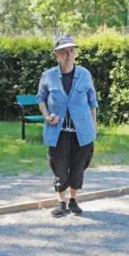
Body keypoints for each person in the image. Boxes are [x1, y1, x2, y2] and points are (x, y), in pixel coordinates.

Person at [37, 34, 98, 218]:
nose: (69, 54)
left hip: (82, 132)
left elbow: (92, 102)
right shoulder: (48, 76)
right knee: (60, 168)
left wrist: (93, 127)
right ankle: (60, 202)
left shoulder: (85, 74)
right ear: (56, 55)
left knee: (78, 167)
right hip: (58, 132)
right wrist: (47, 116)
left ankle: (73, 200)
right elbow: (40, 99)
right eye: (64, 51)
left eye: (72, 50)